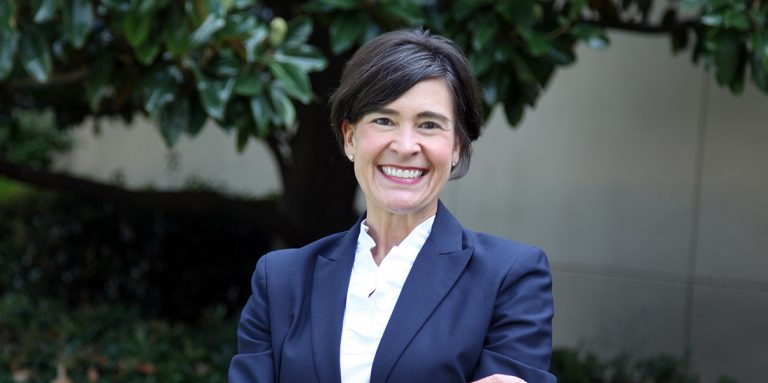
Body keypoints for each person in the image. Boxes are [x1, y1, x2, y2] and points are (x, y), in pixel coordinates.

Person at [229, 29, 556, 383]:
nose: (405, 146)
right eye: (384, 120)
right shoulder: (281, 280)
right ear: (350, 138)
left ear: (457, 146)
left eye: (429, 125)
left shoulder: (509, 278)